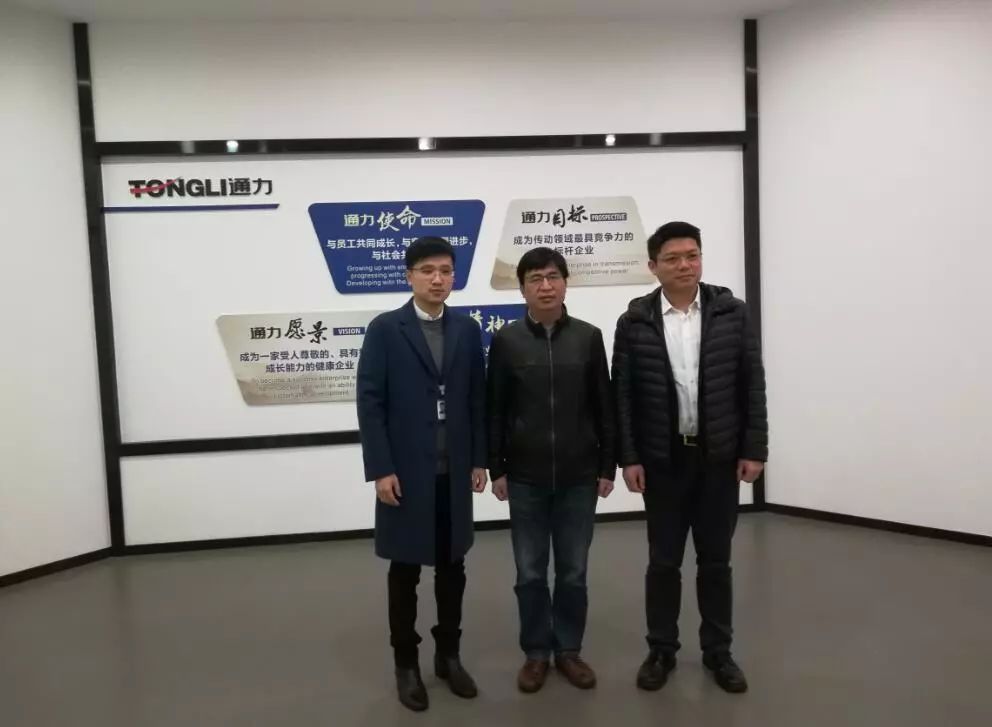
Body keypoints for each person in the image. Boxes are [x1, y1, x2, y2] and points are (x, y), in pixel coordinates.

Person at [612, 221, 767, 694]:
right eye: (673, 258)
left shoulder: (731, 313)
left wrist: (754, 449)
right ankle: (661, 649)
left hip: (718, 459)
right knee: (663, 563)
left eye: (692, 255)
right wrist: (629, 457)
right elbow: (624, 397)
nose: (685, 265)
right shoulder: (635, 320)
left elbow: (752, 383)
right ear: (653, 265)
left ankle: (719, 652)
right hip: (663, 462)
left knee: (716, 562)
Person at [356, 236, 488, 712]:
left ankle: (448, 656)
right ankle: (406, 664)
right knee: (405, 570)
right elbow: (370, 402)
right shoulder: (385, 329)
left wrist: (479, 459)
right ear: (409, 275)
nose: (438, 279)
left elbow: (476, 398)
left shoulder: (467, 329)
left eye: (446, 271)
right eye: (428, 270)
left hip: (453, 472)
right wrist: (381, 469)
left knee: (453, 567)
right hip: (406, 474)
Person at [486, 247, 616, 694]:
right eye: (535, 279)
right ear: (522, 288)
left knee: (574, 571)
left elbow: (604, 407)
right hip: (525, 477)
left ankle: (569, 650)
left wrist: (607, 465)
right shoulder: (506, 341)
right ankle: (536, 653)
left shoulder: (588, 337)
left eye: (553, 276)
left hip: (580, 476)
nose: (545, 286)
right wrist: (497, 467)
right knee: (529, 572)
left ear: (565, 283)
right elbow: (495, 409)